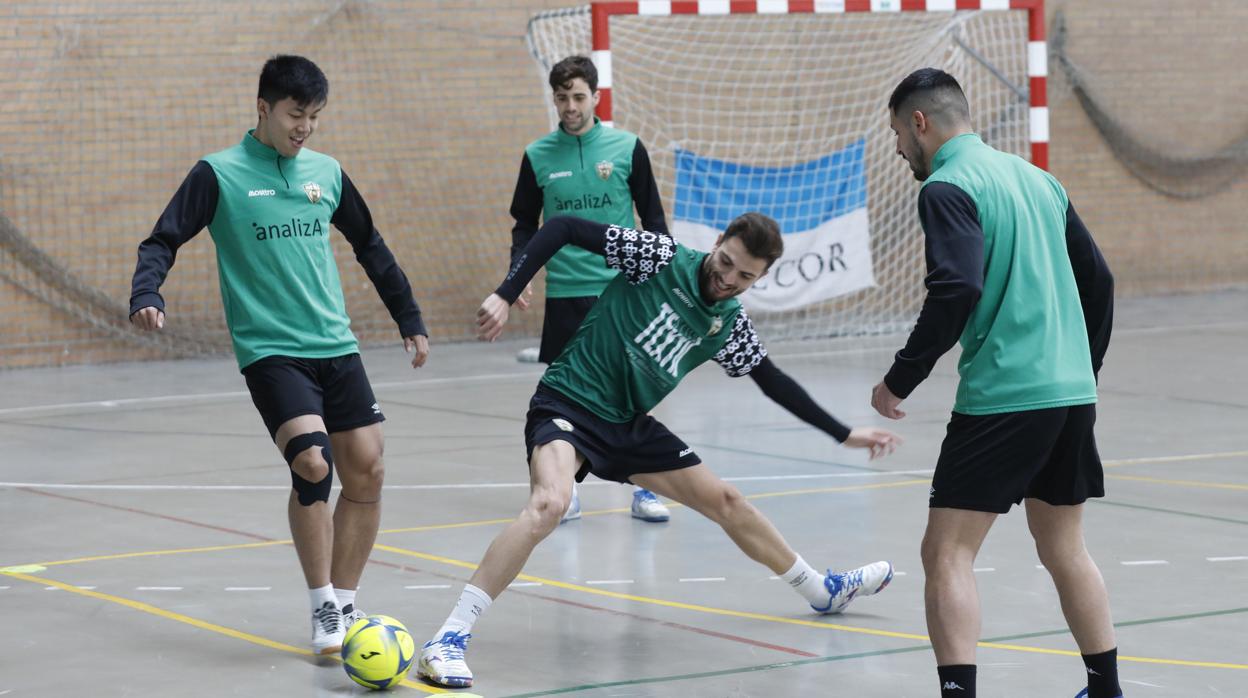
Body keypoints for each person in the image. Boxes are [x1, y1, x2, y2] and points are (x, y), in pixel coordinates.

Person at [415, 212, 902, 688]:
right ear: (717, 242)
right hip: (568, 401)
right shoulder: (657, 257)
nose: (728, 277)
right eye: (726, 261)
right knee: (549, 503)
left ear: (761, 278)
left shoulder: (730, 325)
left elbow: (773, 382)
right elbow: (562, 227)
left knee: (726, 501)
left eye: (745, 275)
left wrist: (843, 433)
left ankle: (820, 591)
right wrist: (505, 292)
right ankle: (449, 638)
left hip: (627, 425)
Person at [128, 55, 430, 656]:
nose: (306, 127)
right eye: (296, 114)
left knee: (367, 469)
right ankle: (322, 604)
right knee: (314, 464)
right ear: (263, 108)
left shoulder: (327, 172)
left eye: (315, 116)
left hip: (336, 345)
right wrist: (147, 290)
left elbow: (370, 244)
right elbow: (161, 238)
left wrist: (410, 318)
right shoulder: (219, 174)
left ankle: (346, 602)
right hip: (271, 352)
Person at [870, 68, 1119, 698]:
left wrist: (900, 379)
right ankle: (1106, 688)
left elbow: (958, 286)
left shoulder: (948, 187)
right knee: (1064, 547)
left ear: (919, 123)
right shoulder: (1039, 179)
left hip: (1006, 397)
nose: (900, 148)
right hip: (1069, 395)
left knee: (946, 553)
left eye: (899, 133)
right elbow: (1101, 281)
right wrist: (1077, 369)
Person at [508, 55, 671, 524]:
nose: (570, 106)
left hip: (620, 292)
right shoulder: (538, 155)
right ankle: (563, 489)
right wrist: (519, 276)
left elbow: (653, 220)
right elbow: (524, 224)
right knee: (562, 395)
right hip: (564, 293)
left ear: (595, 97)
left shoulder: (626, 148)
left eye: (578, 97)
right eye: (562, 98)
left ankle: (643, 486)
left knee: (631, 389)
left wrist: (658, 277)